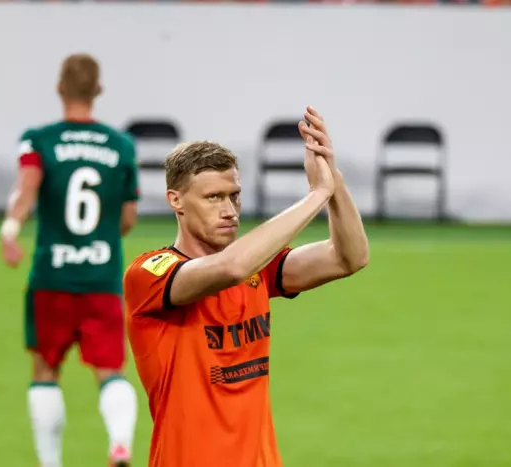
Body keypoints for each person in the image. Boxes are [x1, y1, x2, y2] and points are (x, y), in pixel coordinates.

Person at [123, 106, 369, 467]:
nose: (229, 210)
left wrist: (334, 183)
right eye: (213, 197)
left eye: (234, 195)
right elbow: (231, 268)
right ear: (175, 200)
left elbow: (349, 257)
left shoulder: (259, 267)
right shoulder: (149, 274)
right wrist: (316, 195)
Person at [0, 53, 139, 467]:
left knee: (45, 370)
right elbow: (128, 218)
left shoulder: (39, 140)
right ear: (99, 90)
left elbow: (27, 187)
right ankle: (119, 443)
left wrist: (10, 230)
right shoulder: (121, 145)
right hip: (102, 278)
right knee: (110, 369)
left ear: (59, 88)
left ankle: (50, 463)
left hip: (52, 277)